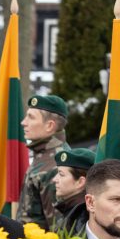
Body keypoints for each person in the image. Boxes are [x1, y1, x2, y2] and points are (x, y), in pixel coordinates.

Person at [19, 94, 69, 229]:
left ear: (49, 126)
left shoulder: (54, 166)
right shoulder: (45, 155)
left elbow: (59, 231)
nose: (23, 122)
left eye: (31, 117)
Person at [52, 147, 93, 230]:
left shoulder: (82, 216)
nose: (54, 179)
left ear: (80, 182)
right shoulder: (73, 210)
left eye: (61, 174)